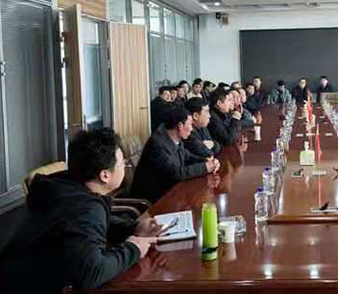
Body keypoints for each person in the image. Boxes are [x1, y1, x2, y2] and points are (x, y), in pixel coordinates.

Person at [0, 128, 159, 293]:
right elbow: (92, 273)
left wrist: (133, 228)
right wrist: (134, 249)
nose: (125, 167)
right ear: (105, 175)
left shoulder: (67, 185)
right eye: (122, 164)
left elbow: (85, 225)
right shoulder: (85, 207)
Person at [131, 107, 219, 203]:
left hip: (169, 191)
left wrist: (207, 161)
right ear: (180, 125)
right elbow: (176, 173)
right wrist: (205, 167)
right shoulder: (157, 144)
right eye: (190, 124)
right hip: (153, 199)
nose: (191, 129)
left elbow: (188, 157)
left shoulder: (175, 138)